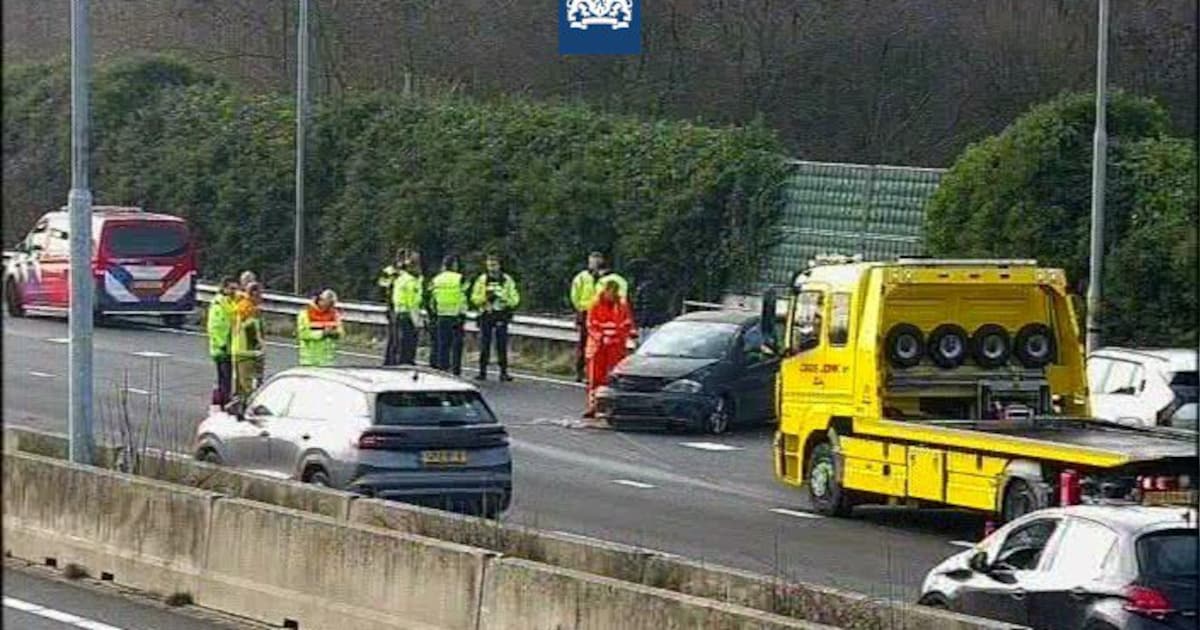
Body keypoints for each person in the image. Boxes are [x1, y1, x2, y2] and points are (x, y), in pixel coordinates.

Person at [584, 280, 634, 418]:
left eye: (613, 292)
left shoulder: (621, 305)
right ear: (605, 291)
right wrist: (602, 337)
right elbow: (591, 325)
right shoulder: (595, 304)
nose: (611, 295)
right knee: (595, 378)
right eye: (609, 292)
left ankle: (611, 407)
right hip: (597, 347)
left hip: (615, 347)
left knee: (613, 377)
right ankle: (593, 406)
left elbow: (627, 323)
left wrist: (619, 336)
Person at [471, 254, 520, 382]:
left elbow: (515, 299)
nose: (492, 268)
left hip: (501, 313)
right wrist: (485, 299)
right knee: (484, 343)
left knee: (501, 343)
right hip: (486, 313)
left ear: (499, 265)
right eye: (489, 265)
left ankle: (503, 372)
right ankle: (482, 372)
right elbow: (474, 298)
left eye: (494, 264)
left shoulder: (506, 280)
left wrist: (503, 298)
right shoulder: (482, 280)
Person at [429, 255, 467, 375]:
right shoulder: (460, 278)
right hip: (456, 315)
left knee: (442, 344)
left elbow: (431, 298)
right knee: (456, 345)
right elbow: (464, 297)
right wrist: (463, 313)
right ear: (454, 265)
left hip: (441, 314)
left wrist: (434, 313)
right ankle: (456, 370)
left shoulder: (436, 279)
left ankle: (442, 369)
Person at [569, 252, 604, 382]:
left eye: (597, 261)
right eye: (592, 261)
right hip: (586, 313)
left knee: (597, 345)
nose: (594, 264)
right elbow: (575, 295)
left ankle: (593, 372)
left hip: (600, 314)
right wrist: (580, 309)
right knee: (583, 344)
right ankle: (580, 372)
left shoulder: (603, 277)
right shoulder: (582, 277)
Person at [206, 276, 239, 405]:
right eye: (231, 288)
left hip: (229, 345)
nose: (234, 291)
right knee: (224, 377)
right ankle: (223, 402)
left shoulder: (229, 301)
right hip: (222, 347)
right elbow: (216, 326)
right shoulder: (219, 303)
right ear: (224, 288)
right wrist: (222, 344)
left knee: (227, 377)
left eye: (235, 289)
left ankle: (223, 399)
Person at [231, 281, 265, 400]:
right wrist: (259, 352)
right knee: (248, 386)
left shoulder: (241, 305)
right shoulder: (249, 310)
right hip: (247, 353)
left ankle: (238, 404)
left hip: (239, 350)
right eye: (260, 294)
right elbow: (253, 335)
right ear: (254, 294)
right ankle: (246, 408)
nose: (261, 297)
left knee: (240, 383)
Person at [391, 250, 424, 365]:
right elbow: (412, 303)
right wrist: (416, 322)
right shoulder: (411, 281)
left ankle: (398, 364)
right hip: (407, 316)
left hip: (399, 313)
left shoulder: (401, 278)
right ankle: (406, 366)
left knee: (399, 344)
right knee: (408, 345)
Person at [296, 289, 344, 367]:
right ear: (320, 300)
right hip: (309, 361)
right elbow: (302, 334)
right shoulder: (305, 314)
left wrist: (334, 333)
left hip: (328, 362)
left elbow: (341, 332)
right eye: (327, 303)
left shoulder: (335, 314)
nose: (329, 307)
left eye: (331, 304)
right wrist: (322, 333)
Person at [377, 249, 406, 366]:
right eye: (400, 257)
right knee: (394, 335)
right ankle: (390, 360)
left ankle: (397, 359)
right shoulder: (389, 270)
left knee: (400, 336)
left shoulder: (407, 272)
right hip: (392, 305)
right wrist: (394, 277)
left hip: (401, 306)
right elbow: (382, 284)